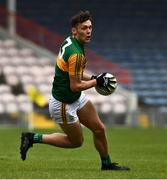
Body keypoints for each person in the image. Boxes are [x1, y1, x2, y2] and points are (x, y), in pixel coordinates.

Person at [20, 10, 130, 171]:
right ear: (74, 30)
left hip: (75, 98)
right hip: (63, 104)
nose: (88, 31)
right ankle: (32, 137)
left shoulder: (71, 42)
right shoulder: (76, 53)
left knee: (99, 128)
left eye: (90, 28)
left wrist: (93, 77)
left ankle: (106, 164)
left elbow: (75, 74)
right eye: (84, 28)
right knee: (76, 142)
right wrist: (96, 81)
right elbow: (75, 85)